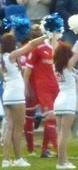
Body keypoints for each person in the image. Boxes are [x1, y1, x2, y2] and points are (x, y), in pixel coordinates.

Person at [1, 33, 46, 169]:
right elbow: (31, 45)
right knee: (18, 128)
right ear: (12, 44)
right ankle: (18, 158)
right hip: (16, 95)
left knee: (9, 127)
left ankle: (6, 159)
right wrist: (46, 36)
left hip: (8, 95)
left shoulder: (2, 58)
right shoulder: (11, 56)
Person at [22, 25, 59, 157]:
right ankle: (54, 149)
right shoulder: (34, 49)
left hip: (54, 86)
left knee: (53, 117)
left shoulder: (52, 47)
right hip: (39, 88)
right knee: (43, 116)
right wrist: (26, 86)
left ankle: (44, 149)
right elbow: (27, 69)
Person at [52, 38, 78, 170]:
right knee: (65, 134)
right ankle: (61, 162)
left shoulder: (56, 66)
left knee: (61, 132)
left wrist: (53, 35)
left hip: (59, 100)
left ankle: (63, 160)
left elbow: (55, 48)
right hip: (68, 101)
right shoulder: (67, 65)